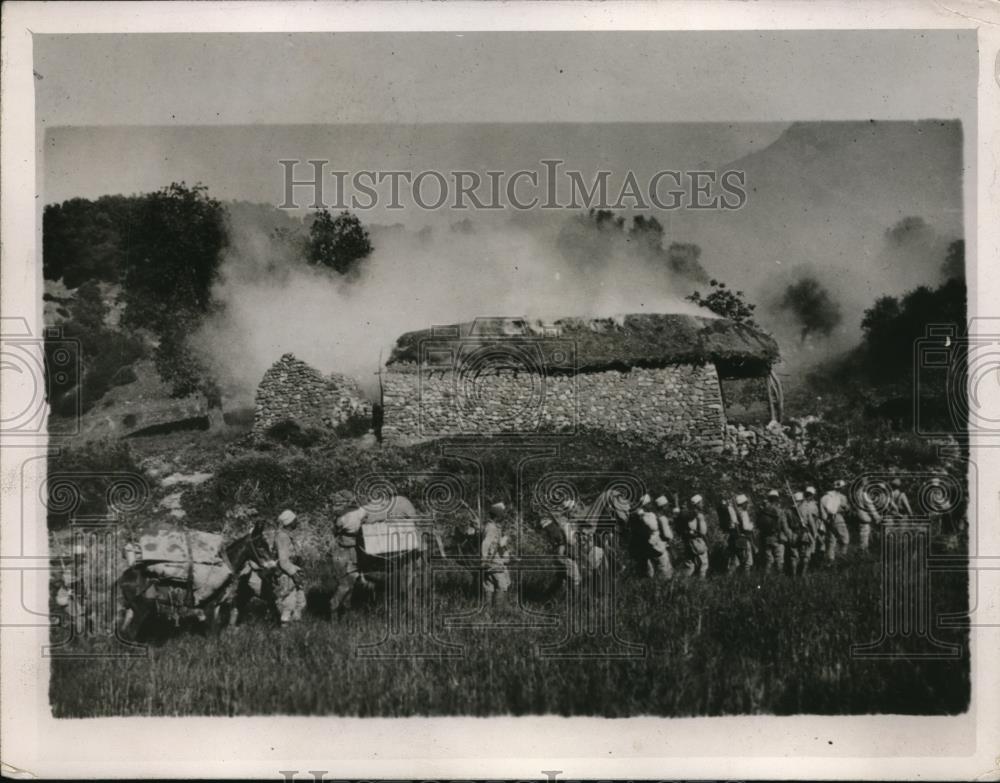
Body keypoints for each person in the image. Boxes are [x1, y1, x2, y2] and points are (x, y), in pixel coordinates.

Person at [273, 509, 306, 625]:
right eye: (295, 520)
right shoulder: (282, 536)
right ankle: (285, 628)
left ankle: (295, 628)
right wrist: (294, 574)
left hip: (293, 570)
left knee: (300, 601)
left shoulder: (287, 535)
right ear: (290, 522)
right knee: (289, 603)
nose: (297, 522)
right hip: (287, 574)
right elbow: (283, 561)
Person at [481, 501, 512, 607]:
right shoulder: (492, 528)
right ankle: (497, 612)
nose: (503, 518)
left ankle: (487, 612)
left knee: (489, 585)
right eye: (502, 515)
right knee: (502, 584)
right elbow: (486, 543)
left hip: (489, 560)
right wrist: (484, 560)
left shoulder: (488, 526)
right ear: (498, 516)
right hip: (493, 560)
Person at [539, 514, 580, 588]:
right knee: (568, 564)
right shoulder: (558, 529)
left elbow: (563, 541)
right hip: (562, 548)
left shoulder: (558, 530)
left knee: (569, 564)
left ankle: (572, 582)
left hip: (563, 548)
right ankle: (570, 582)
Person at [758, 489, 793, 573]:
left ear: (769, 498)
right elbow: (785, 527)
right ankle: (779, 580)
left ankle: (766, 579)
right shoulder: (779, 511)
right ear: (777, 499)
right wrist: (790, 537)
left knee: (769, 560)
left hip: (766, 538)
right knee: (779, 559)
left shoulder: (763, 511)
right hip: (777, 538)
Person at [641, 496, 674, 581]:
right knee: (665, 569)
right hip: (658, 546)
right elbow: (667, 535)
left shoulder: (645, 516)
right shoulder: (656, 517)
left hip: (649, 546)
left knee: (652, 570)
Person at [677, 494, 709, 578]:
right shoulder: (697, 515)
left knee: (690, 565)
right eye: (701, 503)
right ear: (697, 504)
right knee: (704, 563)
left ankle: (683, 582)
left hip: (688, 542)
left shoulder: (687, 514)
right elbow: (702, 532)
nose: (702, 504)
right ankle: (701, 584)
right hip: (697, 541)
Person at [820, 480, 851, 561]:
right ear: (841, 488)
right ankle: (842, 557)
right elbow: (841, 509)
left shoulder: (824, 497)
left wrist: (825, 519)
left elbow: (822, 511)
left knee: (831, 540)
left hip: (827, 520)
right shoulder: (840, 497)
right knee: (845, 538)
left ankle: (830, 560)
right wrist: (845, 508)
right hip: (838, 518)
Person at [726, 494, 755, 573]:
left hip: (733, 538)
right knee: (747, 562)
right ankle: (746, 579)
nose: (747, 504)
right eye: (746, 503)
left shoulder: (733, 513)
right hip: (743, 539)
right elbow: (745, 527)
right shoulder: (743, 513)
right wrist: (751, 526)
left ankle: (728, 579)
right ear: (743, 504)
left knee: (734, 561)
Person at [789, 491, 816, 575]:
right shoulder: (806, 509)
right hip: (804, 534)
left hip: (794, 534)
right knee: (806, 555)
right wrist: (814, 534)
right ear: (802, 500)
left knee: (794, 556)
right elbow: (811, 522)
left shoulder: (789, 510)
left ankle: (793, 576)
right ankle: (803, 575)